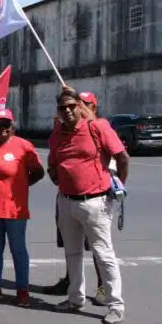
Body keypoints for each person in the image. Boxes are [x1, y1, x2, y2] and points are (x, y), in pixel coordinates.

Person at [48, 87, 129, 324]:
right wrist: (57, 176)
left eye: (72, 106)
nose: (68, 111)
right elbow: (52, 163)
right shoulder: (56, 135)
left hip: (96, 202)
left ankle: (115, 304)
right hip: (66, 201)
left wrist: (116, 186)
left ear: (81, 107)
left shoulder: (97, 127)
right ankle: (75, 298)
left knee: (104, 255)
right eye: (63, 108)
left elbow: (122, 157)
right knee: (72, 254)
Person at [0, 108, 44, 306]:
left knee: (18, 249)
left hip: (15, 209)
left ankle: (22, 290)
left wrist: (21, 186)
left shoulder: (23, 146)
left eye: (6, 124)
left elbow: (38, 172)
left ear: (12, 126)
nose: (2, 128)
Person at [43, 90, 107, 302]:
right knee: (71, 245)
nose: (73, 110)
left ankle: (103, 286)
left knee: (97, 247)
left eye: (83, 105)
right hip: (67, 194)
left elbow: (118, 160)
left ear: (91, 108)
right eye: (66, 107)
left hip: (94, 196)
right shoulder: (64, 129)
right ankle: (72, 281)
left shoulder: (98, 129)